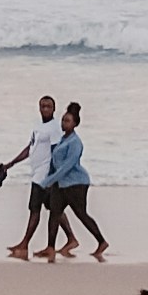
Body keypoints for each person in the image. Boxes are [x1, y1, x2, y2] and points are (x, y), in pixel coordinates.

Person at [0, 94, 59, 261]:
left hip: (43, 175)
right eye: (42, 106)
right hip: (36, 171)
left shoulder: (54, 128)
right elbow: (30, 148)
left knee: (34, 209)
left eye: (48, 106)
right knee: (53, 208)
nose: (45, 109)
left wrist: (52, 176)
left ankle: (24, 244)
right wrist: (11, 163)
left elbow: (56, 153)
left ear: (54, 109)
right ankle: (72, 238)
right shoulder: (38, 126)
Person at [47, 95, 107, 264]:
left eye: (67, 121)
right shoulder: (63, 140)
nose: (63, 123)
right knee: (54, 213)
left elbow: (67, 166)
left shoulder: (75, 142)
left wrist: (49, 180)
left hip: (77, 183)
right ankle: (50, 247)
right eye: (63, 120)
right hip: (61, 184)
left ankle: (102, 242)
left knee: (81, 214)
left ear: (75, 124)